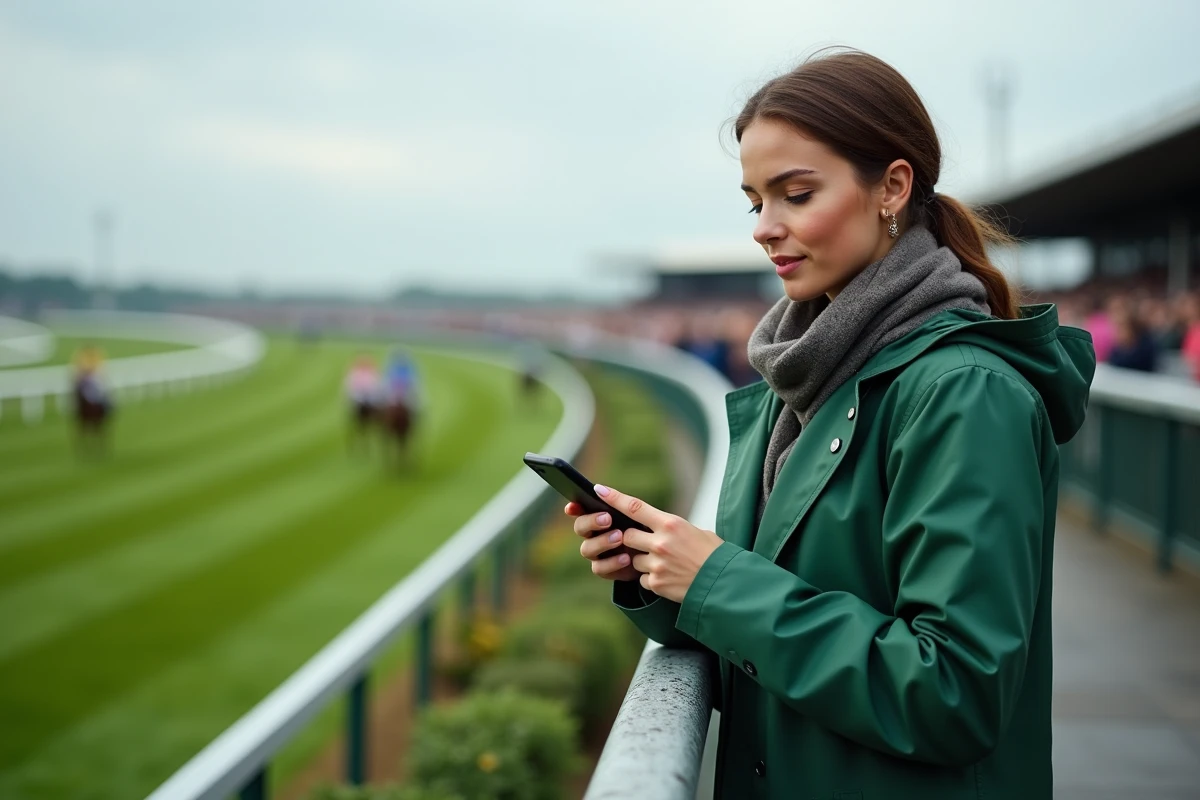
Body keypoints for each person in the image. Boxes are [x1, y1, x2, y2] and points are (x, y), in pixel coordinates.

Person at [567, 49, 1094, 800]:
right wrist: (659, 572)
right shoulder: (808, 372)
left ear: (893, 187)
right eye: (755, 202)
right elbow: (771, 633)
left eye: (796, 194)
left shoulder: (965, 392)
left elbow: (953, 693)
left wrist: (715, 578)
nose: (765, 227)